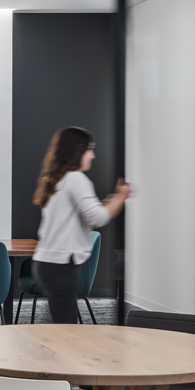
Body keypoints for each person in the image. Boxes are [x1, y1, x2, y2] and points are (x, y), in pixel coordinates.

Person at [30, 126, 130, 324]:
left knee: (63, 321)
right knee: (66, 327)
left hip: (47, 262)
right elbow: (97, 218)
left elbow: (83, 212)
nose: (92, 156)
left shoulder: (58, 178)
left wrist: (112, 200)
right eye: (89, 149)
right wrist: (121, 197)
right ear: (77, 151)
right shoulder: (76, 179)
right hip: (60, 265)